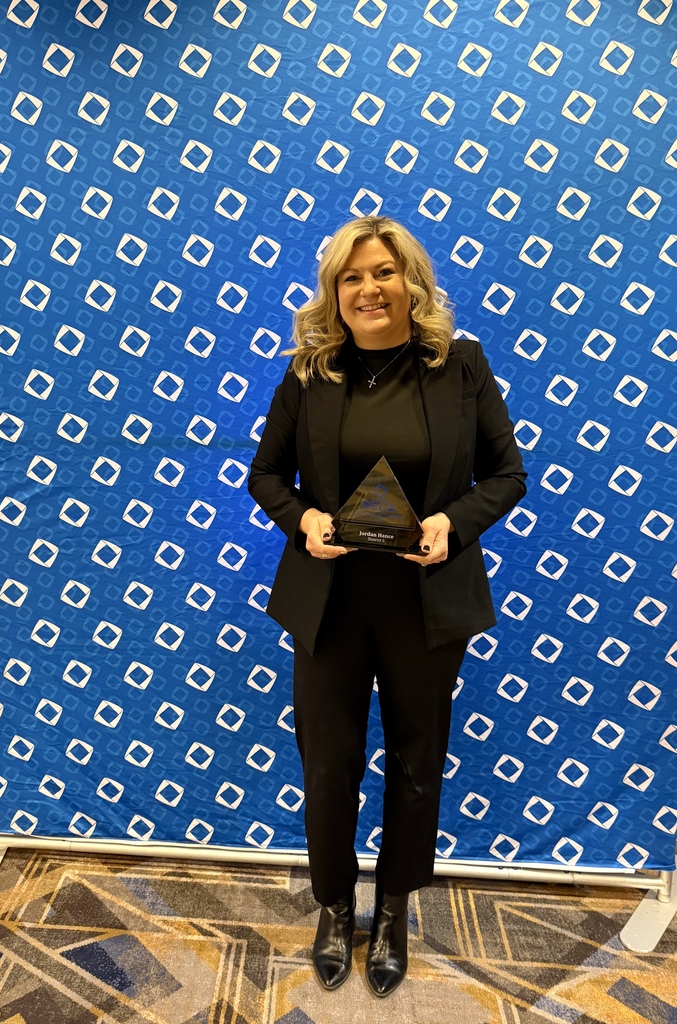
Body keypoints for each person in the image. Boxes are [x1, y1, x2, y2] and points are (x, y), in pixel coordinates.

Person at [248, 215, 526, 997]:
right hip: (328, 606)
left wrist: (451, 524)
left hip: (426, 606)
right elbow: (264, 476)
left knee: (414, 767)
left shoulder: (460, 366)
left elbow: (506, 475)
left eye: (383, 273)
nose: (368, 289)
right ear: (333, 293)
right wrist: (303, 520)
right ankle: (335, 906)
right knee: (327, 767)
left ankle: (395, 909)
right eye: (351, 277)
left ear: (411, 282)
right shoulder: (309, 373)